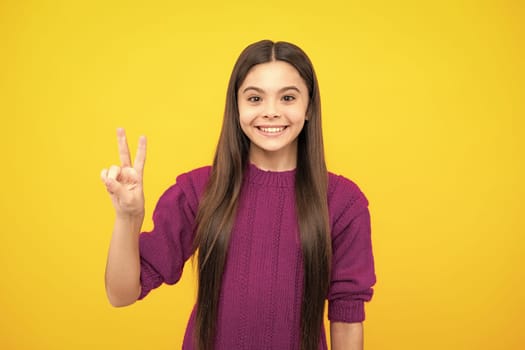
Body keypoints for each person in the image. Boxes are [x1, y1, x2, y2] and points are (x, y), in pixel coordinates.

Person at [101, 40, 376, 350]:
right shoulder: (199, 190)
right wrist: (128, 218)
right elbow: (120, 294)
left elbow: (347, 315)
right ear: (237, 106)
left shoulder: (343, 202)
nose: (271, 112)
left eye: (288, 97)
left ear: (309, 106)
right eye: (255, 98)